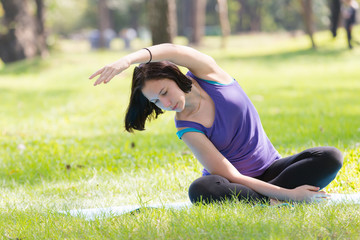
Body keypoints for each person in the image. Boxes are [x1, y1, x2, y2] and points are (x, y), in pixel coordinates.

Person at [89, 44, 343, 204]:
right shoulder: (186, 127)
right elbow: (230, 175)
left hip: (273, 170)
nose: (164, 103)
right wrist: (291, 195)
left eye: (164, 92)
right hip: (236, 185)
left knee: (330, 156)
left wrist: (127, 60)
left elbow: (172, 50)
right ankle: (273, 200)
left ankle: (265, 200)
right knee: (202, 189)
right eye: (156, 102)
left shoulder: (209, 73)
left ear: (174, 76)